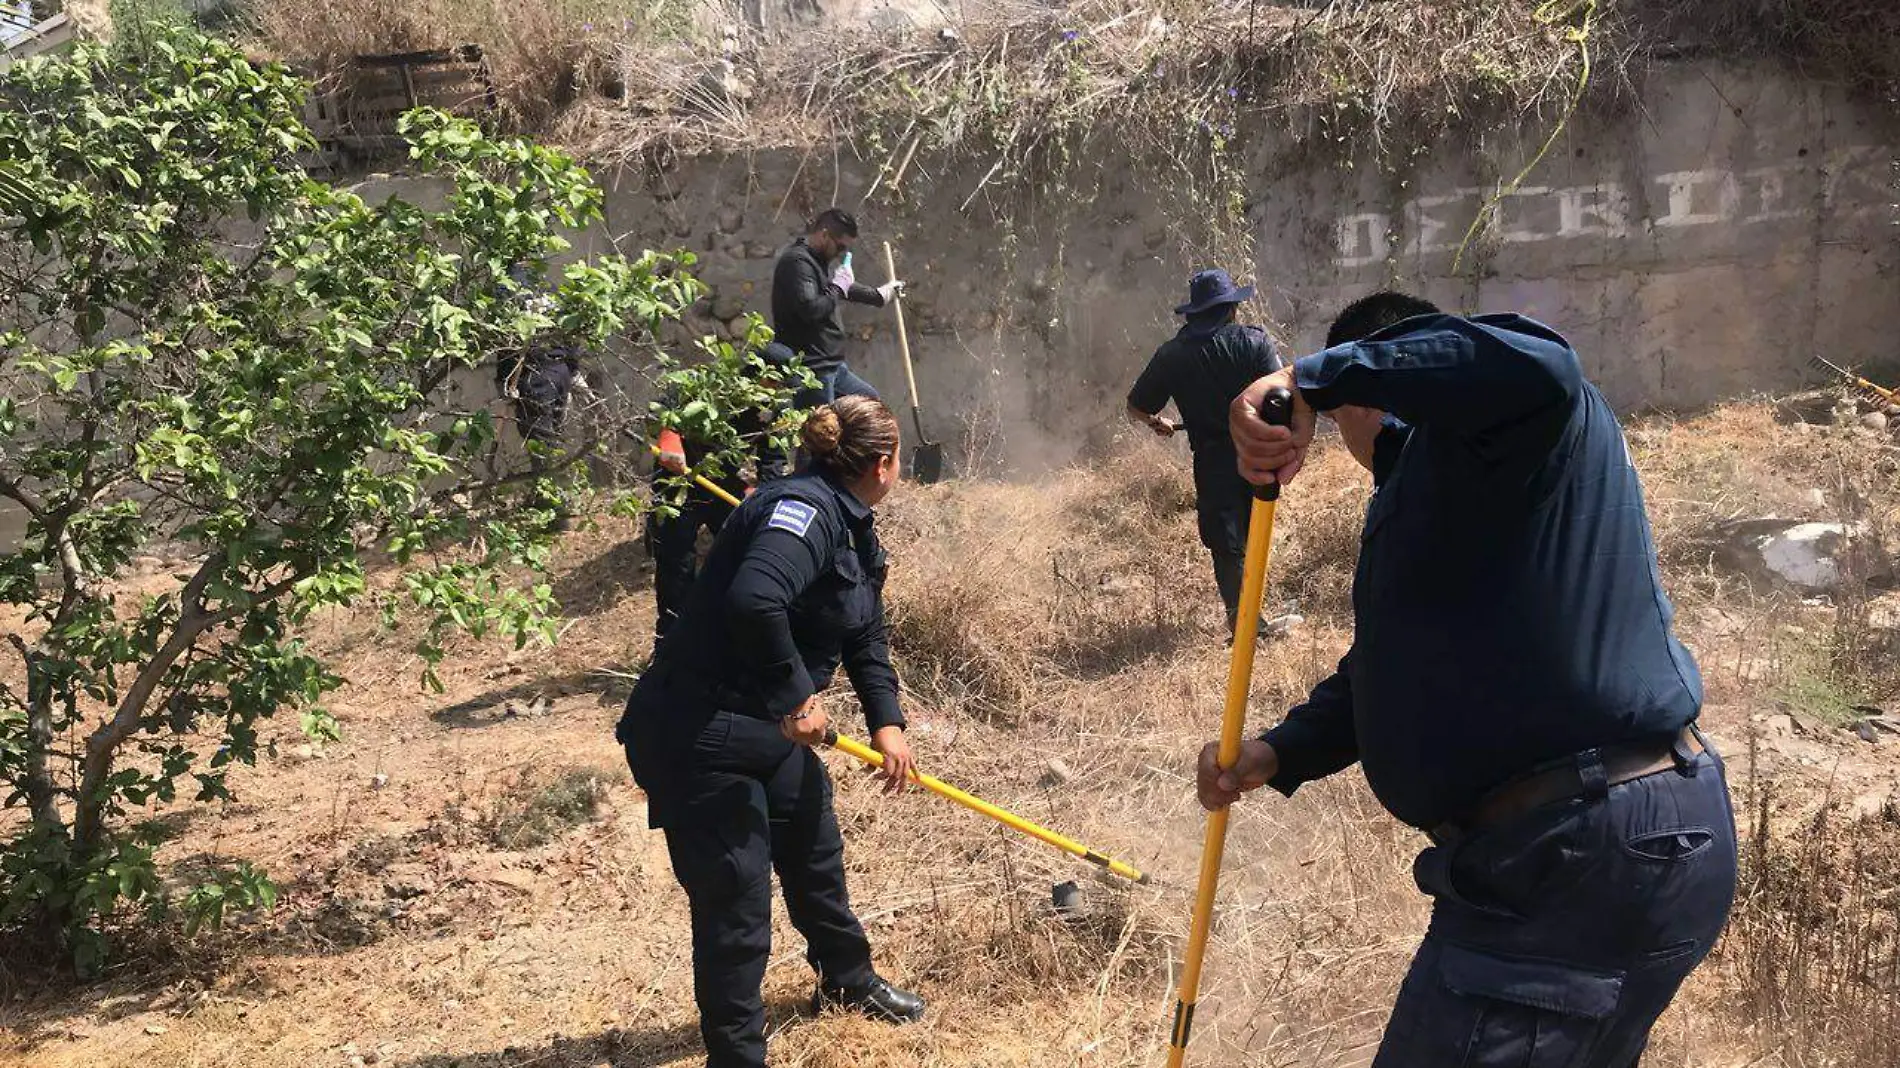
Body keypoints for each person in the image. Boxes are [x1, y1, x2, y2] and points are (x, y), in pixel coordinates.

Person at [1203, 292, 1738, 1068]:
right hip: (1577, 846)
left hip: (1571, 850)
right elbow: (1391, 667)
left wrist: (1312, 379)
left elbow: (1541, 361)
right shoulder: (1430, 491)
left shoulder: (1511, 423)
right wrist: (1279, 751)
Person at [616, 395, 926, 1068]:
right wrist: (796, 696)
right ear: (882, 464)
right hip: (699, 728)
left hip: (761, 726)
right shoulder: (804, 514)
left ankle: (849, 980)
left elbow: (863, 628)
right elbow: (754, 599)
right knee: (736, 902)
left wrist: (888, 723)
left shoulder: (850, 521)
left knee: (815, 851)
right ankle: (738, 1057)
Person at [1126, 268, 1284, 634]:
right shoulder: (1255, 342)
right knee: (1253, 529)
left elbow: (1135, 406)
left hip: (1212, 459)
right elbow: (1282, 391)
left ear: (1194, 313)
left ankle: (1243, 620)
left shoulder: (1172, 355)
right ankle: (1251, 621)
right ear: (1230, 309)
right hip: (1257, 450)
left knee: (1227, 542)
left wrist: (1157, 423)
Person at [648, 342, 797, 652]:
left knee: (746, 544)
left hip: (719, 480)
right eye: (777, 382)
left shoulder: (775, 408)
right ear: (759, 374)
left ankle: (732, 630)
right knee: (676, 563)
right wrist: (670, 440)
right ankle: (671, 644)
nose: (781, 391)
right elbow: (669, 408)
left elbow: (772, 461)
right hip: (678, 480)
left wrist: (763, 495)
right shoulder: (716, 384)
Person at [771, 208, 903, 407]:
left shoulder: (819, 260)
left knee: (868, 405)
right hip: (812, 368)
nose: (841, 254)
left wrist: (879, 295)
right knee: (821, 430)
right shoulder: (797, 263)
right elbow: (812, 309)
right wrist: (838, 287)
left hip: (833, 366)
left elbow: (837, 287)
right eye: (840, 247)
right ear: (824, 235)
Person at [496, 266, 581, 531]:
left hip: (535, 373)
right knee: (550, 436)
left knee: (540, 440)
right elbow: (570, 329)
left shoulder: (505, 289)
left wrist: (504, 380)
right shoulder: (546, 285)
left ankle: (554, 511)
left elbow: (507, 342)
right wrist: (573, 368)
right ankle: (549, 499)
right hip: (559, 369)